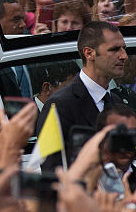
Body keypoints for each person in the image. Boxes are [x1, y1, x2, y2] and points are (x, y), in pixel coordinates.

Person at [36, 21, 128, 170]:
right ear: (89, 53)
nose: (124, 56)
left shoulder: (117, 104)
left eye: (124, 49)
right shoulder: (59, 106)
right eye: (114, 50)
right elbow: (53, 171)